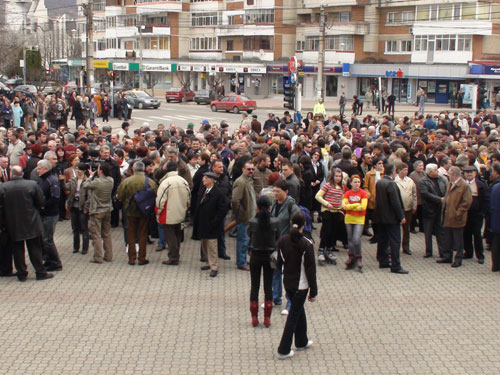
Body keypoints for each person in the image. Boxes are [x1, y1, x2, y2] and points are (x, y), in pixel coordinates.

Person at [276, 210, 317, 360]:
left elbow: (279, 263)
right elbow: (311, 269)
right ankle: (283, 349)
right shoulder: (306, 243)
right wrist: (314, 291)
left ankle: (301, 340)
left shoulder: (283, 240)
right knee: (293, 316)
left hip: (288, 283)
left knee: (299, 311)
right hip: (301, 285)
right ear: (305, 225)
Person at [0, 166, 54, 281]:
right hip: (31, 221)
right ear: (22, 173)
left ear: (11, 174)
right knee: (35, 248)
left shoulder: (4, 187)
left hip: (13, 223)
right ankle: (40, 272)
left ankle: (21, 274)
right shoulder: (32, 184)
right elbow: (40, 202)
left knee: (17, 250)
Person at [247, 196, 280, 328]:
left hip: (255, 255)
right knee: (268, 286)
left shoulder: (253, 221)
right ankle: (267, 318)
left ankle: (254, 317)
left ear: (258, 207)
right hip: (270, 256)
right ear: (269, 207)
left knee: (254, 286)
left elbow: (249, 235)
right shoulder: (275, 221)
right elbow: (278, 237)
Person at [117, 161, 158, 266]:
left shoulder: (126, 181)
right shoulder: (149, 181)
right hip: (144, 211)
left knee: (131, 234)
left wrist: (126, 203)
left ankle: (131, 258)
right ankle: (142, 258)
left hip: (130, 211)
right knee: (143, 234)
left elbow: (120, 195)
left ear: (133, 169)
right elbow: (156, 194)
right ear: (144, 169)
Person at [374, 163, 408, 274]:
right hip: (391, 218)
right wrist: (401, 216)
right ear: (393, 171)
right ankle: (395, 265)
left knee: (383, 240)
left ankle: (383, 261)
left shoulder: (379, 182)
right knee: (395, 241)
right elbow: (395, 202)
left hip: (381, 217)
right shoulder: (391, 184)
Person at [192, 171, 228, 277]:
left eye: (206, 178)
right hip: (202, 223)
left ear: (212, 180)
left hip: (212, 224)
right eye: (203, 178)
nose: (203, 180)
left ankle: (214, 267)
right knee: (204, 244)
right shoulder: (203, 190)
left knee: (212, 245)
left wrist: (215, 221)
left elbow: (222, 209)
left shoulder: (218, 193)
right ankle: (208, 262)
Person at [156, 161, 190, 266]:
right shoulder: (184, 181)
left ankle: (173, 257)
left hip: (168, 213)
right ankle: (176, 255)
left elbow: (160, 200)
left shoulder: (165, 182)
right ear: (177, 169)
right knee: (177, 235)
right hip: (180, 212)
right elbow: (188, 197)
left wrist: (158, 211)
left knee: (170, 236)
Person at [439, 166, 472, 267]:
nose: (448, 175)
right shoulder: (451, 183)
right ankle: (447, 256)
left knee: (458, 240)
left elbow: (467, 202)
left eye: (449, 173)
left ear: (454, 174)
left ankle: (458, 258)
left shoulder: (464, 185)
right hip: (447, 216)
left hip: (457, 218)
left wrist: (458, 213)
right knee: (447, 238)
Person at [83, 162, 114, 264]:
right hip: (107, 209)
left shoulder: (96, 182)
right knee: (107, 234)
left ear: (100, 171)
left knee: (96, 234)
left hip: (97, 210)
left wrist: (91, 175)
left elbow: (85, 185)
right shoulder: (110, 180)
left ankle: (98, 256)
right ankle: (109, 255)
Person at [36, 159, 63, 272]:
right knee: (44, 239)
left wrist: (43, 206)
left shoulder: (51, 180)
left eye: (39, 168)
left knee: (47, 239)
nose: (37, 170)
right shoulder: (43, 180)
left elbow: (55, 197)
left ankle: (56, 262)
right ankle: (49, 260)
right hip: (45, 213)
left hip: (50, 214)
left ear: (46, 169)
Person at [315, 167, 344, 264]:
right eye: (336, 176)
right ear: (333, 176)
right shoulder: (327, 186)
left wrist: (342, 204)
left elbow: (342, 198)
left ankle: (329, 250)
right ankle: (321, 250)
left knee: (333, 232)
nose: (338, 178)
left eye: (340, 176)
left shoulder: (341, 187)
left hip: (336, 212)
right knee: (326, 231)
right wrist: (327, 203)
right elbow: (318, 196)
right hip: (327, 211)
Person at [231, 161, 257, 271]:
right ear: (243, 169)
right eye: (248, 169)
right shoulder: (240, 182)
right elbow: (235, 200)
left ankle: (243, 259)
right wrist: (241, 214)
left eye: (252, 169)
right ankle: (241, 262)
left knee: (247, 241)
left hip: (251, 217)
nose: (251, 171)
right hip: (244, 218)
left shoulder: (249, 181)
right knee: (243, 240)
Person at [419, 163, 447, 258]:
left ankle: (442, 251)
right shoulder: (423, 181)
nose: (437, 171)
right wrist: (439, 199)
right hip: (429, 209)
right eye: (435, 170)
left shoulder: (442, 179)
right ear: (430, 172)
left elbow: (447, 189)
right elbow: (425, 194)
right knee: (428, 231)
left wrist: (444, 199)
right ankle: (428, 251)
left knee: (441, 231)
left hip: (440, 209)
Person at [463, 165, 489, 264]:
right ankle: (468, 252)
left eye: (471, 172)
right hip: (465, 213)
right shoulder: (462, 183)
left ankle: (480, 255)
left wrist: (483, 212)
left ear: (475, 173)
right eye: (467, 172)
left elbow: (486, 199)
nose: (469, 174)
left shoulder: (481, 184)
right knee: (466, 234)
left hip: (476, 214)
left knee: (477, 235)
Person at [343, 174, 369, 272]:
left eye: (358, 182)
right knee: (350, 239)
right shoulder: (347, 193)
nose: (357, 184)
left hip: (359, 219)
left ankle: (358, 258)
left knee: (356, 239)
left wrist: (351, 205)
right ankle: (351, 257)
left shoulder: (363, 193)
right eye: (355, 182)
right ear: (351, 183)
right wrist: (356, 204)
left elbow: (363, 207)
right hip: (349, 219)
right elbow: (345, 206)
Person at [66, 163, 90, 255]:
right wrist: (61, 181)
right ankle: (76, 247)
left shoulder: (87, 181)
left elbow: (89, 196)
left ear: (84, 171)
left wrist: (86, 207)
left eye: (79, 169)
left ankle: (85, 248)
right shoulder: (73, 180)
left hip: (82, 206)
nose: (77, 171)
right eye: (76, 169)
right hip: (73, 206)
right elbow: (66, 187)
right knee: (75, 228)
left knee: (84, 228)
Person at [395, 163, 417, 255]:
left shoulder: (410, 181)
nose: (406, 171)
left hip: (408, 208)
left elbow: (414, 194)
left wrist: (414, 205)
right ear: (399, 170)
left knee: (406, 229)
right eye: (404, 170)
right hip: (397, 209)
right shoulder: (394, 181)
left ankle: (406, 247)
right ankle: (393, 247)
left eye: (407, 170)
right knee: (395, 229)